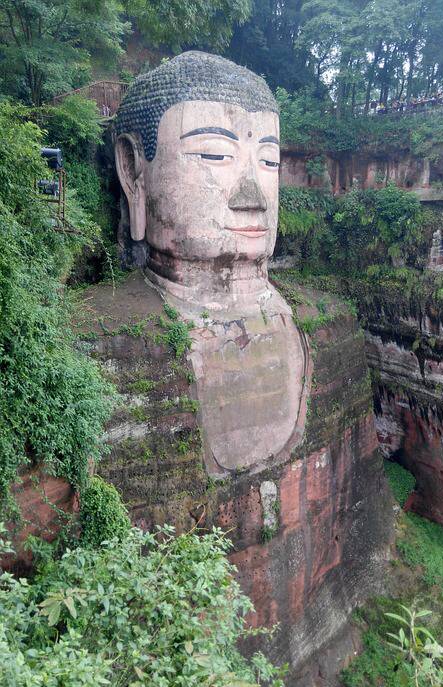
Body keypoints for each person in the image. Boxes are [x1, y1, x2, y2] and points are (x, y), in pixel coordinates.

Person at [114, 52, 308, 474]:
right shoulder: (107, 352)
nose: (252, 197)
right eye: (215, 155)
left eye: (269, 161)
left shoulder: (324, 328)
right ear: (133, 171)